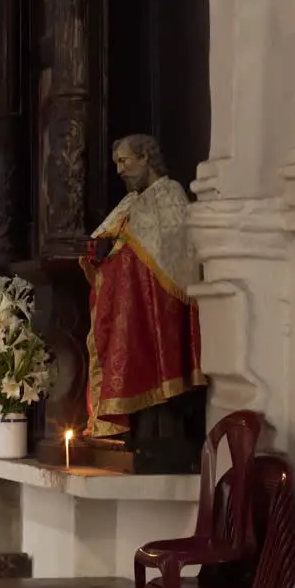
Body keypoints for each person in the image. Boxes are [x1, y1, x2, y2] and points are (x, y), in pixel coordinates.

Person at [80, 134, 206, 439]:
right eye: (117, 164)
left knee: (161, 387)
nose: (120, 170)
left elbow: (176, 249)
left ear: (145, 158)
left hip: (158, 302)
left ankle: (163, 439)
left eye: (124, 161)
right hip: (129, 301)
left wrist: (126, 251)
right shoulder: (130, 201)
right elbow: (108, 241)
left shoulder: (171, 194)